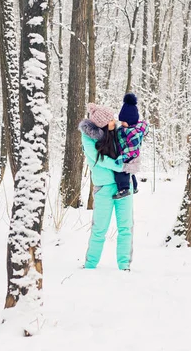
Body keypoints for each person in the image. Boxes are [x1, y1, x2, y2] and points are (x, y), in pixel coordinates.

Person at [78, 103, 140, 271]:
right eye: (111, 119)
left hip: (124, 186)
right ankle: (90, 265)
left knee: (125, 227)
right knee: (99, 229)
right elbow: (100, 160)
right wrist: (122, 167)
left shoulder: (116, 133)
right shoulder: (88, 138)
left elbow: (134, 137)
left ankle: (124, 265)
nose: (114, 121)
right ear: (103, 124)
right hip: (104, 188)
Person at [113, 93, 149, 199]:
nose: (122, 123)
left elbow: (132, 148)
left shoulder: (133, 132)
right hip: (127, 153)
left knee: (122, 170)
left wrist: (123, 157)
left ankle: (124, 189)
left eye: (123, 121)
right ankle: (134, 187)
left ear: (130, 121)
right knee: (130, 172)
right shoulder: (128, 129)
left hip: (129, 155)